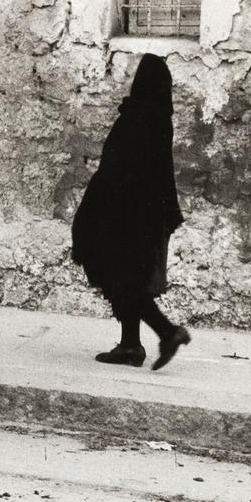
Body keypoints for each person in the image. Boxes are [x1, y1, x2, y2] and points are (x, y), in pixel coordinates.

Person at [71, 53, 190, 371]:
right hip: (142, 216)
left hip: (122, 216)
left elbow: (116, 171)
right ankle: (131, 345)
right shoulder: (160, 118)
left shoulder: (138, 117)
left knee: (117, 276)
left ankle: (165, 332)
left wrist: (92, 214)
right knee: (127, 279)